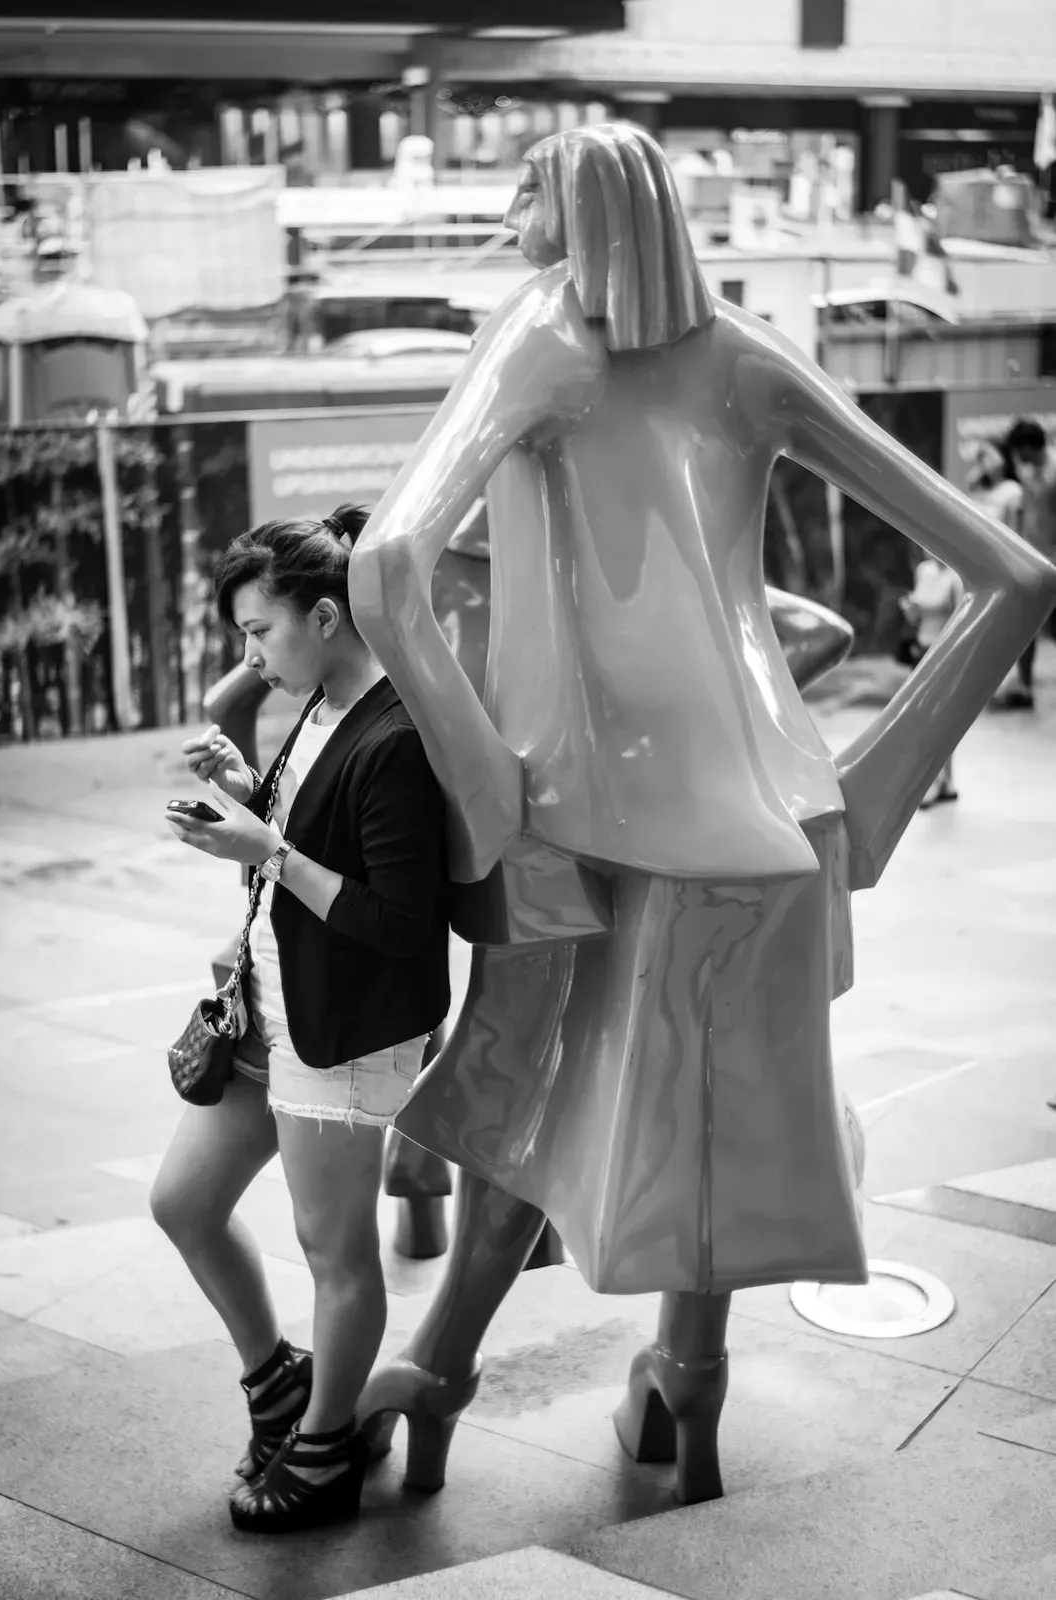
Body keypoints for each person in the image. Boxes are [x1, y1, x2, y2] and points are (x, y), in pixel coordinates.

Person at [345, 122, 1056, 1507]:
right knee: (723, 1134)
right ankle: (689, 1389)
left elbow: (386, 569)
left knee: (525, 1100)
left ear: (582, 208)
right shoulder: (750, 354)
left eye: (524, 192)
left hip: (590, 817)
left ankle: (436, 1375)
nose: (507, 216)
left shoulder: (547, 334)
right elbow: (1016, 581)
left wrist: (486, 785)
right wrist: (874, 790)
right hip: (782, 827)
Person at [152, 504, 450, 1534]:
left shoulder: (397, 732)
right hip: (271, 1012)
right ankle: (278, 1383)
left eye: (258, 632)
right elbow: (314, 833)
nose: (248, 655)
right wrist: (249, 799)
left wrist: (267, 853)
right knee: (183, 1200)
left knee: (335, 1253)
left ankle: (324, 1449)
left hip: (346, 1030)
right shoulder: (319, 702)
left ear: (326, 615)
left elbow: (404, 926)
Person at [899, 554, 965, 807]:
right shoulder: (923, 570)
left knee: (942, 719)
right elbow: (914, 616)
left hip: (944, 651)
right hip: (921, 648)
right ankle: (934, 780)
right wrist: (909, 609)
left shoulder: (955, 575)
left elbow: (962, 617)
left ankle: (941, 781)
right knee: (921, 717)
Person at [1003, 418, 1056, 707]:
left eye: (1018, 449)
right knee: (1026, 628)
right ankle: (1024, 686)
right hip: (1031, 561)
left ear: (1028, 446)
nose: (1016, 456)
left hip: (1052, 564)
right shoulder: (1027, 470)